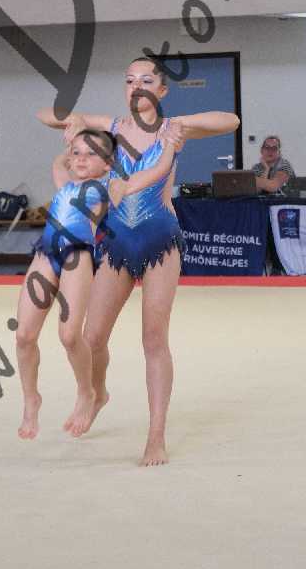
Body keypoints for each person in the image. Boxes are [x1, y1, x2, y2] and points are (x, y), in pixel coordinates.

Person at [38, 58, 240, 466]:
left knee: (153, 338)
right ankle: (96, 393)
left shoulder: (171, 129)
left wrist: (181, 124)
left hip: (159, 241)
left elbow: (230, 121)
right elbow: (45, 114)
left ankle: (156, 434)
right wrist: (74, 121)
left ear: (162, 90)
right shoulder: (113, 127)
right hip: (116, 243)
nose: (137, 86)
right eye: (130, 80)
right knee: (92, 337)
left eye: (147, 80)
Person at [15, 128, 176, 442]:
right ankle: (31, 398)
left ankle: (87, 391)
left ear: (108, 162)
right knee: (23, 335)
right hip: (46, 253)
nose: (80, 159)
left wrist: (169, 147)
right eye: (76, 153)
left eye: (91, 154)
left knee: (69, 335)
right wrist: (71, 143)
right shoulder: (64, 180)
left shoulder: (113, 186)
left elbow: (155, 173)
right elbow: (59, 162)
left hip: (78, 257)